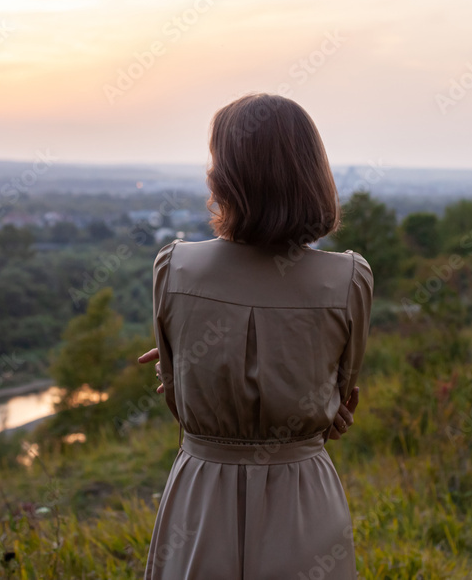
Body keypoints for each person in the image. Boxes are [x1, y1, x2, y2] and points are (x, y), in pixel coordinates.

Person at [137, 93, 373, 579]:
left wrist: (194, 373)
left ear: (225, 176)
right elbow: (338, 409)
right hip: (302, 494)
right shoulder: (349, 279)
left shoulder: (175, 267)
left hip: (203, 493)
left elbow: (178, 404)